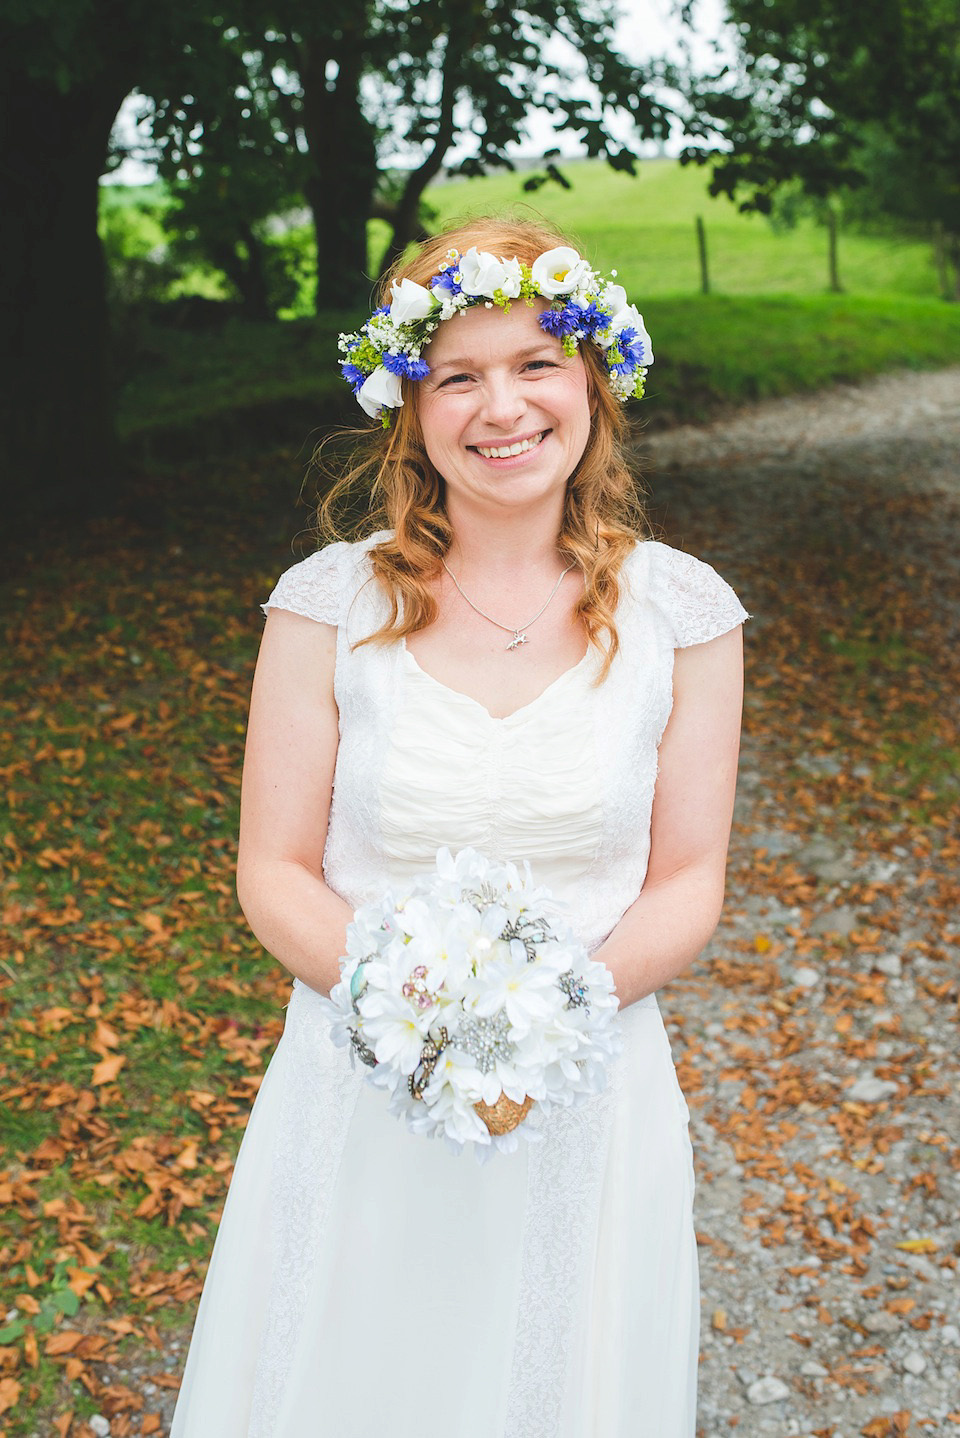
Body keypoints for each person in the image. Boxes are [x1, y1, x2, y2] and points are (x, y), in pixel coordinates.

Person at [169, 217, 748, 1438]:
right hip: (360, 1079)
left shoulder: (683, 613)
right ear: (410, 405)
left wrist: (547, 1023)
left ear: (592, 378)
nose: (504, 407)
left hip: (588, 1088)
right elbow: (273, 868)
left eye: (537, 363)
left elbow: (689, 878)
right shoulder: (325, 603)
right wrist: (422, 1021)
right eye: (459, 375)